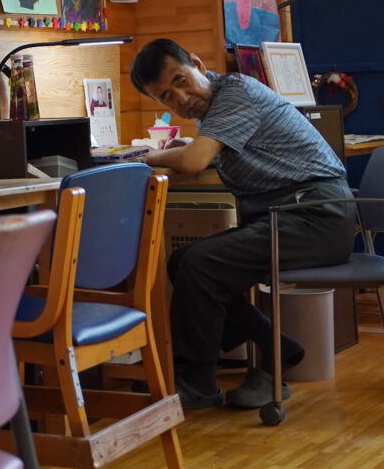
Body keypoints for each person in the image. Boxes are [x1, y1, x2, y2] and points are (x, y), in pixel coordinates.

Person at [128, 39, 355, 411]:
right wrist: (181, 149)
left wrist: (146, 156)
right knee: (183, 262)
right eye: (167, 97)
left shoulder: (235, 92)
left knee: (200, 264)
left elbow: (195, 160)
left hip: (317, 216)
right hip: (291, 215)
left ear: (198, 64)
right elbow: (202, 152)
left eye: (182, 81)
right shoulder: (215, 108)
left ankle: (197, 381)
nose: (182, 99)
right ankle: (277, 347)